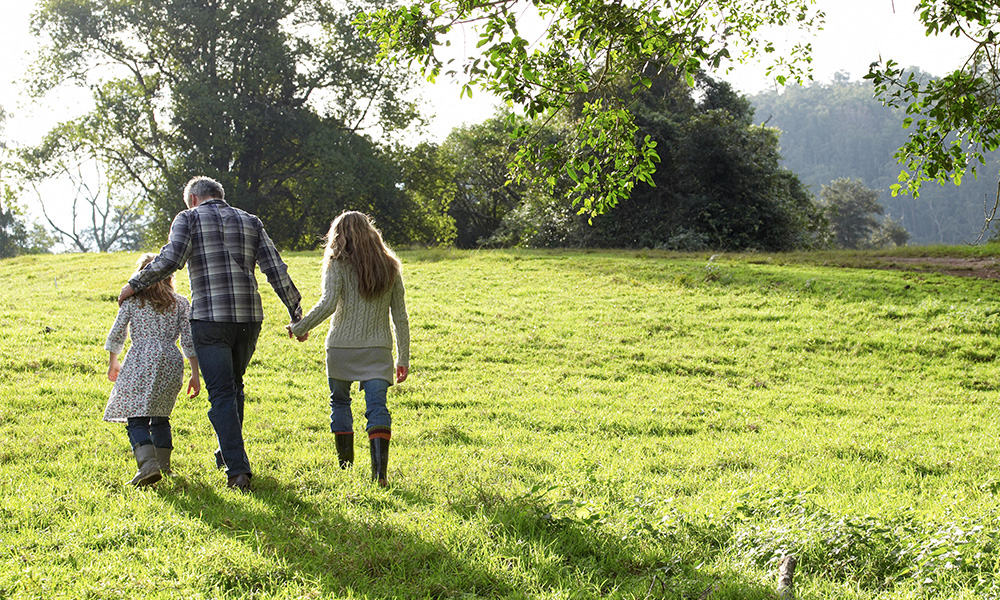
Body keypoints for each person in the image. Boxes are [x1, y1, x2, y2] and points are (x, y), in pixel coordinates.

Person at [118, 176, 303, 492]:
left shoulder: (188, 218)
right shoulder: (250, 220)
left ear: (192, 199)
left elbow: (171, 259)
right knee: (234, 386)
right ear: (219, 196)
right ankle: (227, 453)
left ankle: (237, 470)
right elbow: (275, 268)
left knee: (221, 391)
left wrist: (135, 283)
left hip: (210, 318)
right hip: (248, 318)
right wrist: (295, 312)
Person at [287, 211, 410, 486]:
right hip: (378, 349)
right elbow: (399, 315)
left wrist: (299, 327)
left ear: (338, 234)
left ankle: (346, 468)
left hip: (341, 346)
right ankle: (379, 474)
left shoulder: (337, 264)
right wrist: (403, 357)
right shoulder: (390, 265)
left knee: (340, 402)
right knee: (377, 406)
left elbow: (328, 303)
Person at [105, 253, 200, 487]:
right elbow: (189, 341)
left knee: (136, 417)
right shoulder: (180, 302)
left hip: (141, 359)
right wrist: (195, 374)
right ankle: (163, 466)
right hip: (171, 360)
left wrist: (113, 361)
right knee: (160, 416)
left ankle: (148, 465)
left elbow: (118, 332)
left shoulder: (133, 301)